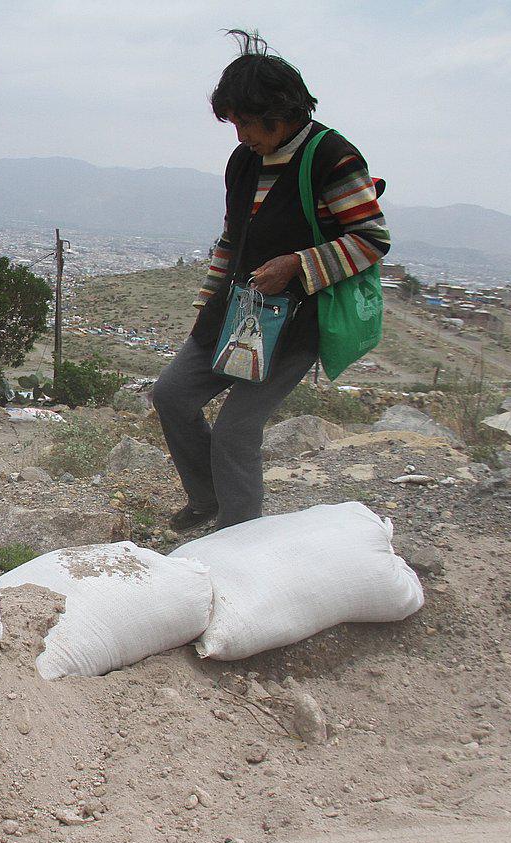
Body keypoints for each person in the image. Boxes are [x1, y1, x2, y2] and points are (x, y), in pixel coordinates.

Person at [152, 29, 389, 531]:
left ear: (282, 115)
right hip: (236, 312)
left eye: (247, 122)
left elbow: (371, 239)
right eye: (234, 123)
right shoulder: (244, 161)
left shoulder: (334, 158)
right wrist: (207, 303)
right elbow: (231, 239)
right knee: (172, 395)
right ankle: (208, 497)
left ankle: (238, 538)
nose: (240, 135)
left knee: (236, 431)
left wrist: (297, 266)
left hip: (296, 324)